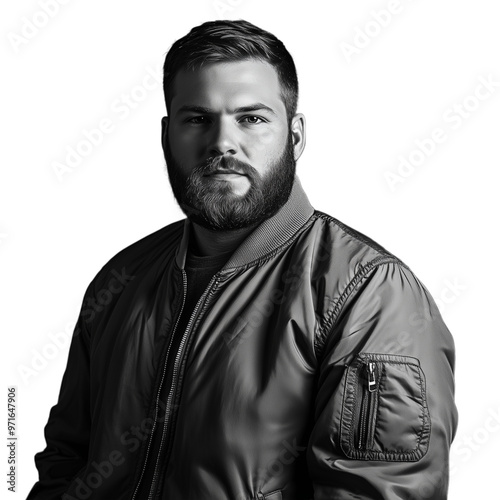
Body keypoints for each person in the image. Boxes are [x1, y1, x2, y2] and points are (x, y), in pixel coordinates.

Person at [27, 19, 458, 500]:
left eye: (251, 118)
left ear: (295, 137)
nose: (222, 144)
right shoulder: (122, 278)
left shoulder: (371, 295)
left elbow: (376, 492)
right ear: (167, 136)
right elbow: (66, 465)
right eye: (197, 119)